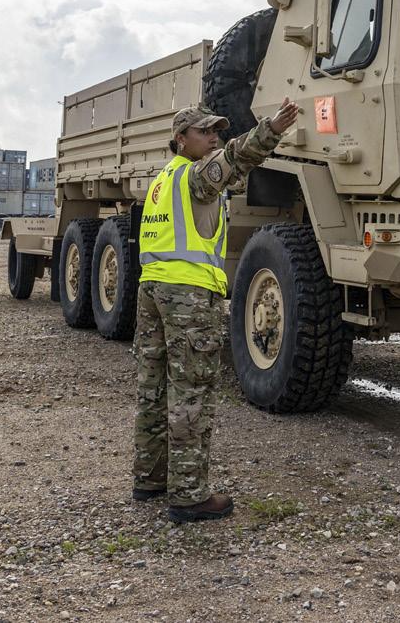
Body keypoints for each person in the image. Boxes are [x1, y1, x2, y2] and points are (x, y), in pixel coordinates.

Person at [132, 97, 300, 523]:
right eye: (203, 131)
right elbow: (235, 157)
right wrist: (271, 129)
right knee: (191, 393)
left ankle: (150, 478)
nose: (213, 138)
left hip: (152, 290)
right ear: (180, 138)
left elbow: (229, 166)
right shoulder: (195, 176)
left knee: (154, 389)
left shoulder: (163, 180)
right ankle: (189, 496)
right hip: (187, 296)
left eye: (215, 131)